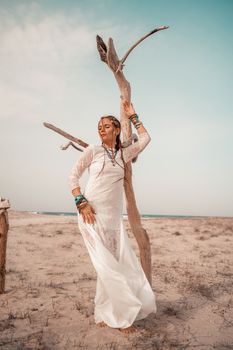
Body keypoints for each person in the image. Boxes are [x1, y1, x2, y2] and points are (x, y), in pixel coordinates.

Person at [68, 98, 157, 333]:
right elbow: (72, 177)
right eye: (99, 126)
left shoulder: (123, 155)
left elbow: (146, 139)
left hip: (113, 220)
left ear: (117, 130)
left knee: (115, 265)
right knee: (107, 267)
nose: (101, 129)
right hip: (90, 216)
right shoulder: (93, 151)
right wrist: (81, 202)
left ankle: (105, 312)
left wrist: (134, 116)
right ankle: (123, 317)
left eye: (107, 125)